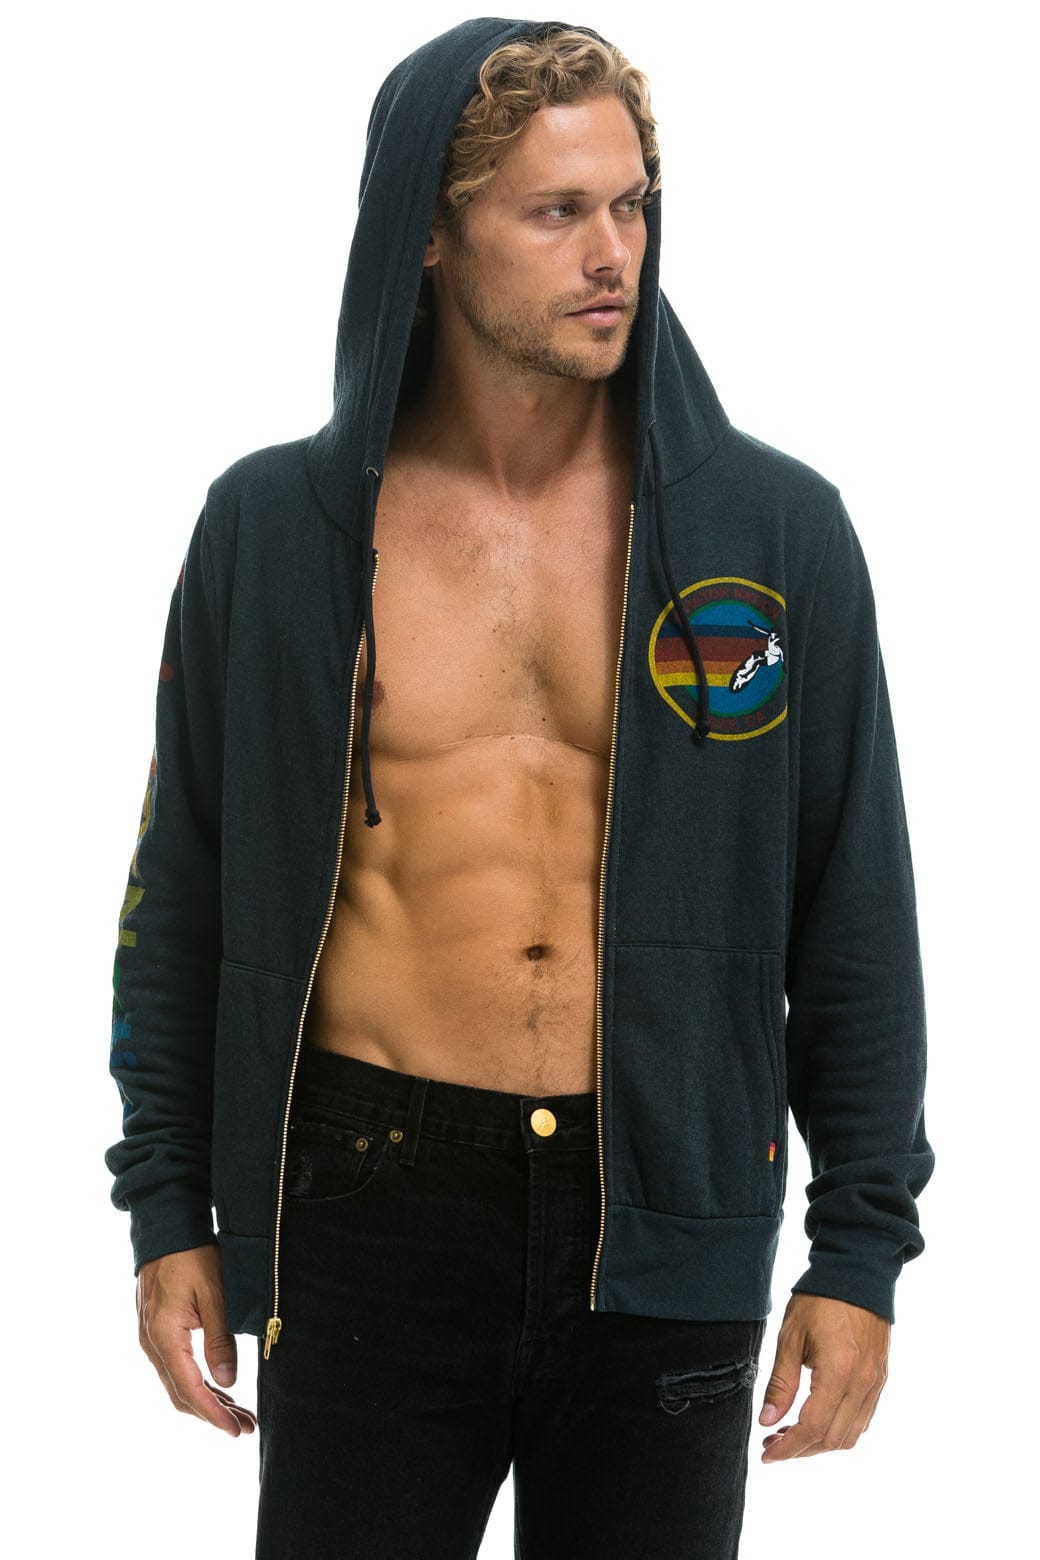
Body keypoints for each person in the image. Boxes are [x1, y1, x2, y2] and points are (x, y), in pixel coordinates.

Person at [106, 17, 934, 1558]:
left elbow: (855, 910)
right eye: (557, 212)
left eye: (632, 205)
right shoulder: (274, 532)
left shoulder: (774, 531)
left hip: (671, 1196)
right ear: (428, 231)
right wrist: (170, 1211)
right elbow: (182, 890)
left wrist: (860, 1251)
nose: (614, 254)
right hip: (367, 1201)